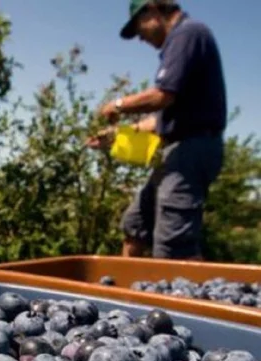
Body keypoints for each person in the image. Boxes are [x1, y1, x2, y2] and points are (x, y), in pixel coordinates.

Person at [87, 0, 227, 260]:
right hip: (179, 149)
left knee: (174, 244)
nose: (140, 38)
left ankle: (180, 295)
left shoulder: (188, 33)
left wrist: (118, 105)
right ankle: (128, 294)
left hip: (192, 149)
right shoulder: (180, 42)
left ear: (152, 11)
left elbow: (163, 96)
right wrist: (114, 137)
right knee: (135, 223)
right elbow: (160, 119)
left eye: (138, 28)